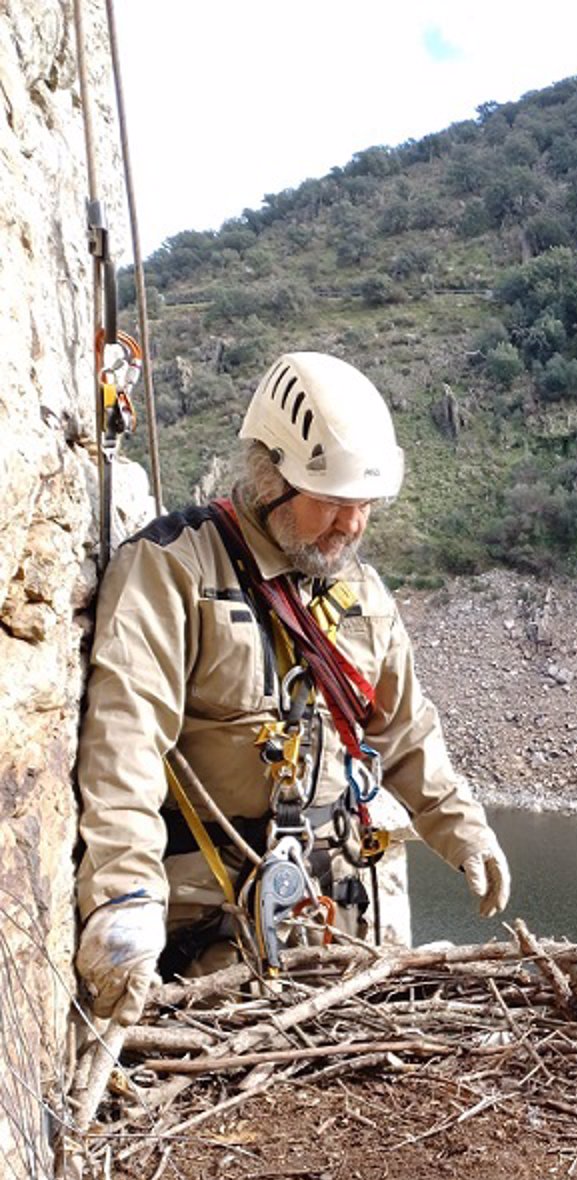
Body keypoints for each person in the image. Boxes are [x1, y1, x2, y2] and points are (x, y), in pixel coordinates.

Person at [75, 351, 510, 1025]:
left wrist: (462, 829)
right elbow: (125, 741)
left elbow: (405, 732)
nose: (353, 525)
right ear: (270, 476)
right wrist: (123, 897)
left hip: (338, 920)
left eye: (364, 504)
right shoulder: (175, 568)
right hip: (216, 928)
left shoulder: (361, 594)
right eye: (333, 502)